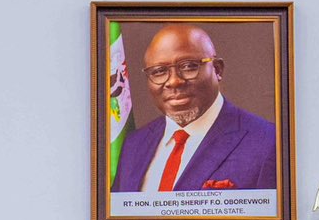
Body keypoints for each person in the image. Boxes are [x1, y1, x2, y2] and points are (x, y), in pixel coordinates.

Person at [110, 24, 278, 193]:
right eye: (159, 71)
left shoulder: (268, 143)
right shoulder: (134, 145)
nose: (174, 81)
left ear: (217, 69)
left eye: (189, 66)